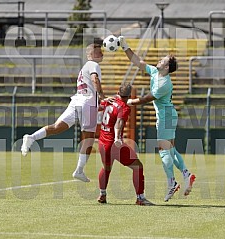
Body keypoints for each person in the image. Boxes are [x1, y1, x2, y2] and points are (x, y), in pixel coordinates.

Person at [118, 36, 196, 202]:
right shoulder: (155, 72)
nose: (159, 60)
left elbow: (148, 98)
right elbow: (137, 61)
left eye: (162, 60)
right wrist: (125, 46)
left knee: (163, 151)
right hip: (167, 115)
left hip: (166, 116)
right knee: (171, 149)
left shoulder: (164, 83)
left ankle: (172, 183)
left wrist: (130, 101)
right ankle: (186, 174)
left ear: (167, 67)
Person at [21, 43, 106, 183]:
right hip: (87, 103)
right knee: (89, 138)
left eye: (101, 51)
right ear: (90, 55)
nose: (101, 54)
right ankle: (79, 170)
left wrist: (97, 104)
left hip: (77, 100)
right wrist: (102, 96)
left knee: (57, 127)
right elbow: (94, 80)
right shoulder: (93, 65)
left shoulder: (85, 66)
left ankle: (31, 137)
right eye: (98, 52)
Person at [97, 83, 154, 206]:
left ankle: (102, 194)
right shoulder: (124, 107)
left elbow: (97, 107)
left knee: (106, 168)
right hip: (114, 143)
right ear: (129, 96)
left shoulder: (110, 100)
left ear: (118, 92)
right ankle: (140, 198)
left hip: (102, 141)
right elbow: (119, 122)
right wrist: (117, 137)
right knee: (137, 166)